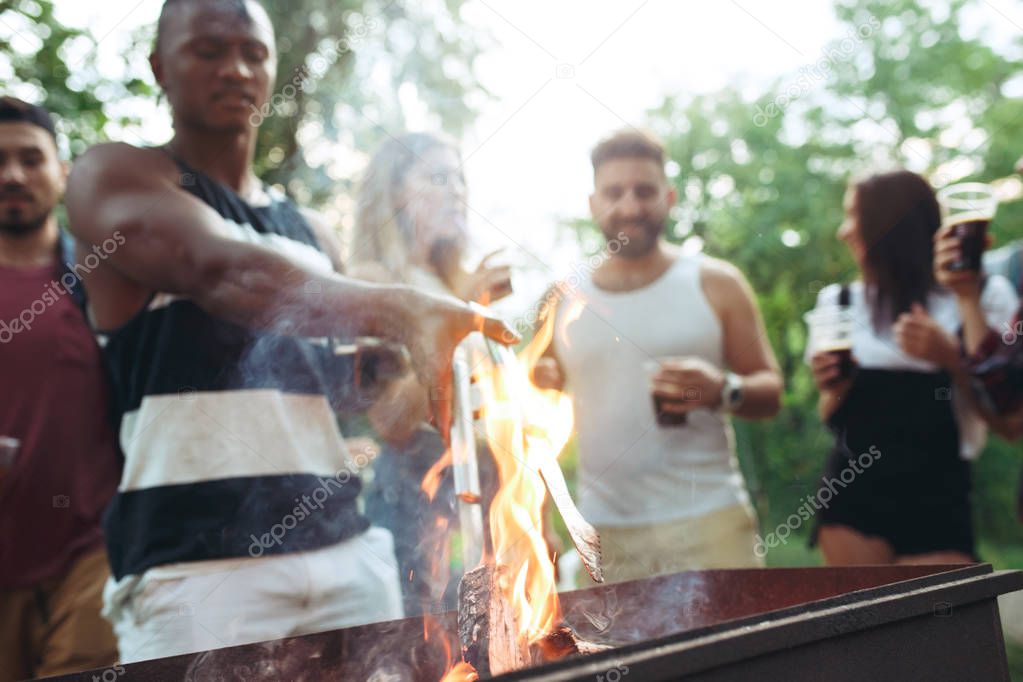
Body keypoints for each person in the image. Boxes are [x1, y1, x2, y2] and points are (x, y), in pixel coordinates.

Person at [64, 0, 515, 662]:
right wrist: (403, 307)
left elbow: (371, 414)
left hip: (346, 557)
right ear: (160, 67)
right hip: (198, 574)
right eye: (209, 50)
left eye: (254, 52)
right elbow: (217, 269)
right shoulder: (113, 176)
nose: (236, 69)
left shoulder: (312, 234)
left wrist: (423, 366)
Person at [532, 129, 783, 583]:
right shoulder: (562, 299)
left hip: (712, 523)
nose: (630, 206)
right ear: (593, 203)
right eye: (615, 193)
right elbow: (530, 426)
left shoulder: (716, 283)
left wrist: (721, 390)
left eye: (645, 191)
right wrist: (539, 523)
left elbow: (771, 390)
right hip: (603, 534)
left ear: (668, 197)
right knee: (613, 657)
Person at [807, 170, 1018, 566]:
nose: (843, 231)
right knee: (863, 622)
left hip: (939, 499)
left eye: (854, 216)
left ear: (889, 227)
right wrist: (834, 386)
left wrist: (951, 360)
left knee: (940, 624)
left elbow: (1010, 424)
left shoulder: (984, 295)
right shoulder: (838, 304)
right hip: (853, 499)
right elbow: (828, 415)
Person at [349, 132, 511, 615]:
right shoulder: (370, 281)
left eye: (459, 178)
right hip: (418, 500)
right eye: (437, 178)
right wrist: (463, 315)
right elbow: (392, 420)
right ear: (396, 193)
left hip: (487, 490)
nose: (456, 190)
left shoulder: (451, 280)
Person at [0, 97, 121, 680]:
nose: (13, 175)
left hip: (88, 556)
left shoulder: (102, 278)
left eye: (30, 159)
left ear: (62, 172)